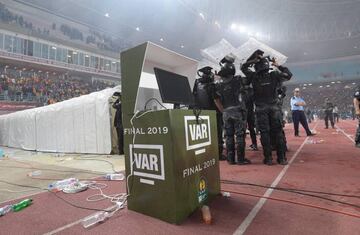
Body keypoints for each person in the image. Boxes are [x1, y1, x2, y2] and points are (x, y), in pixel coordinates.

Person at [241, 49, 291, 165]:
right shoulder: (274, 74)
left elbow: (243, 68)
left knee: (264, 133)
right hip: (274, 107)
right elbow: (288, 75)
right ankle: (281, 158)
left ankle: (268, 158)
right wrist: (278, 65)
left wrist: (253, 60)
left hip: (260, 108)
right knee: (278, 132)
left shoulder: (253, 76)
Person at [214, 55, 251, 165]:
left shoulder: (219, 84)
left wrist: (224, 111)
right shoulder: (238, 80)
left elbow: (216, 100)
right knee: (240, 136)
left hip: (226, 112)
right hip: (237, 111)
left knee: (228, 136)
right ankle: (240, 159)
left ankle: (230, 159)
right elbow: (249, 79)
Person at [193, 66, 226, 160]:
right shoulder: (212, 86)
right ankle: (218, 154)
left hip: (201, 114)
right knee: (218, 135)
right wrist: (223, 111)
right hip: (214, 114)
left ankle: (205, 153)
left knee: (204, 136)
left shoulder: (196, 83)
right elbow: (216, 100)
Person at [242, 83, 258, 150]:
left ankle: (242, 145)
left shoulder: (241, 90)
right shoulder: (252, 90)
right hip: (250, 112)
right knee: (251, 129)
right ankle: (254, 144)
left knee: (242, 130)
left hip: (243, 112)